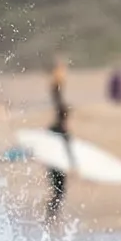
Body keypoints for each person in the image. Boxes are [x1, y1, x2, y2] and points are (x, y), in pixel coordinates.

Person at [44, 81, 72, 223]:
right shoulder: (63, 132)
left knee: (57, 191)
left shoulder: (52, 128)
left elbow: (45, 144)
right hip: (59, 165)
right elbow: (68, 150)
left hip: (52, 164)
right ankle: (51, 216)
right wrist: (74, 165)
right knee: (59, 191)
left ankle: (51, 215)